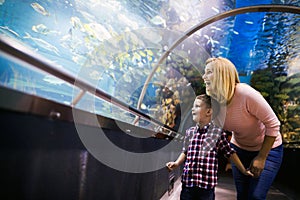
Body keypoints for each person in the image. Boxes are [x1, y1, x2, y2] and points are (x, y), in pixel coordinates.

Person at [202, 57, 283, 200]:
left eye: (208, 72)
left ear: (222, 74)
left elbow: (273, 124)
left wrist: (261, 157)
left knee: (256, 196)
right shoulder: (214, 101)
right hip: (239, 150)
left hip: (268, 149)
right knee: (243, 195)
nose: (203, 77)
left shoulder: (245, 94)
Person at [166, 94, 253, 200]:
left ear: (208, 112)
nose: (193, 109)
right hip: (188, 183)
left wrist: (243, 170)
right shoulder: (190, 132)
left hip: (206, 186)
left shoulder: (217, 133)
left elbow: (230, 153)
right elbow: (185, 152)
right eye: (193, 106)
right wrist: (176, 163)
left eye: (197, 106)